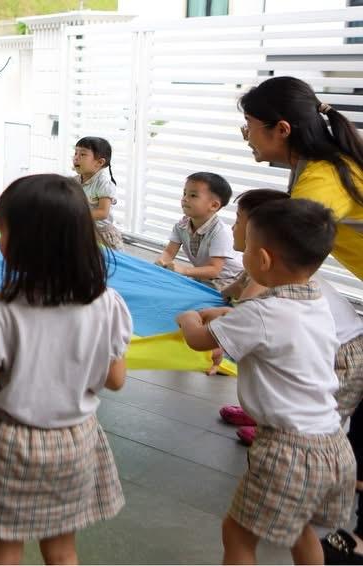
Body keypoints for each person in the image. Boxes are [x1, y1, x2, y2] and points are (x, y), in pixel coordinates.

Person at [0, 173, 130, 565]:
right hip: (75, 440)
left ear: (23, 245)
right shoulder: (108, 303)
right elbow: (116, 380)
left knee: (4, 545)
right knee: (62, 549)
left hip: (11, 442)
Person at [176, 198, 353, 565]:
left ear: (263, 260)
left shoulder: (262, 312)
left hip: (288, 452)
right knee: (300, 529)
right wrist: (227, 314)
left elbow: (199, 340)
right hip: (334, 445)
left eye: (248, 247)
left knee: (238, 534)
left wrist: (189, 317)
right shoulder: (315, 299)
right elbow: (271, 326)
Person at [239, 76, 363, 282]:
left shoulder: (322, 179)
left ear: (282, 130)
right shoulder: (320, 166)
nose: (246, 135)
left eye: (249, 124)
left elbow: (283, 261)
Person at [154, 172, 243, 289]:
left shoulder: (220, 232)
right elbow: (169, 252)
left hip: (229, 280)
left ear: (214, 206)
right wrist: (161, 262)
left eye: (193, 195)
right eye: (184, 193)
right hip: (203, 276)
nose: (185, 199)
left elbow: (214, 270)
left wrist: (184, 270)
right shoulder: (181, 225)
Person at [72, 136, 123, 249]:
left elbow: (103, 212)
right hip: (84, 231)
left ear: (99, 162)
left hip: (102, 235)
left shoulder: (103, 183)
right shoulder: (75, 181)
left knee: (106, 264)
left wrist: (76, 215)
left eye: (83, 154)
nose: (76, 158)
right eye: (75, 153)